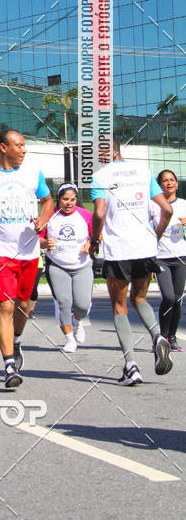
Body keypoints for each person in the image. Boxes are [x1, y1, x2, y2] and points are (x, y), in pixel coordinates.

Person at [0, 129, 54, 388]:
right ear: (3, 147)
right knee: (5, 306)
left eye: (24, 144)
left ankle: (16, 340)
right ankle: (9, 365)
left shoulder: (33, 172)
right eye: (19, 145)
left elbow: (48, 200)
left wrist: (43, 218)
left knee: (24, 306)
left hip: (29, 251)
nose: (24, 149)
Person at [90, 138, 173, 386]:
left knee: (119, 307)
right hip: (144, 247)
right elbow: (167, 210)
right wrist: (156, 233)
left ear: (105, 153)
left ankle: (131, 366)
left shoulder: (100, 176)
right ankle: (158, 337)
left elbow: (100, 213)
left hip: (119, 250)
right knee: (140, 299)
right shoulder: (143, 172)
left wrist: (95, 239)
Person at [43, 183, 93, 353]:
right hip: (57, 265)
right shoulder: (50, 216)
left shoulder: (85, 215)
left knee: (82, 305)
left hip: (82, 265)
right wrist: (46, 242)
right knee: (64, 302)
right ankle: (69, 338)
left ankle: (78, 322)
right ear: (58, 199)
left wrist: (90, 243)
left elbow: (97, 235)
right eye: (65, 199)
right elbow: (39, 239)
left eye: (72, 199)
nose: (69, 203)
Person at [151, 169, 186, 352]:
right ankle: (162, 337)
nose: (169, 183)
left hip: (181, 258)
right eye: (165, 181)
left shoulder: (184, 204)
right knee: (169, 297)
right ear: (160, 185)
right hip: (161, 258)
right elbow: (145, 230)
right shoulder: (153, 206)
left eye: (172, 180)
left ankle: (172, 337)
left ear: (177, 184)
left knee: (178, 299)